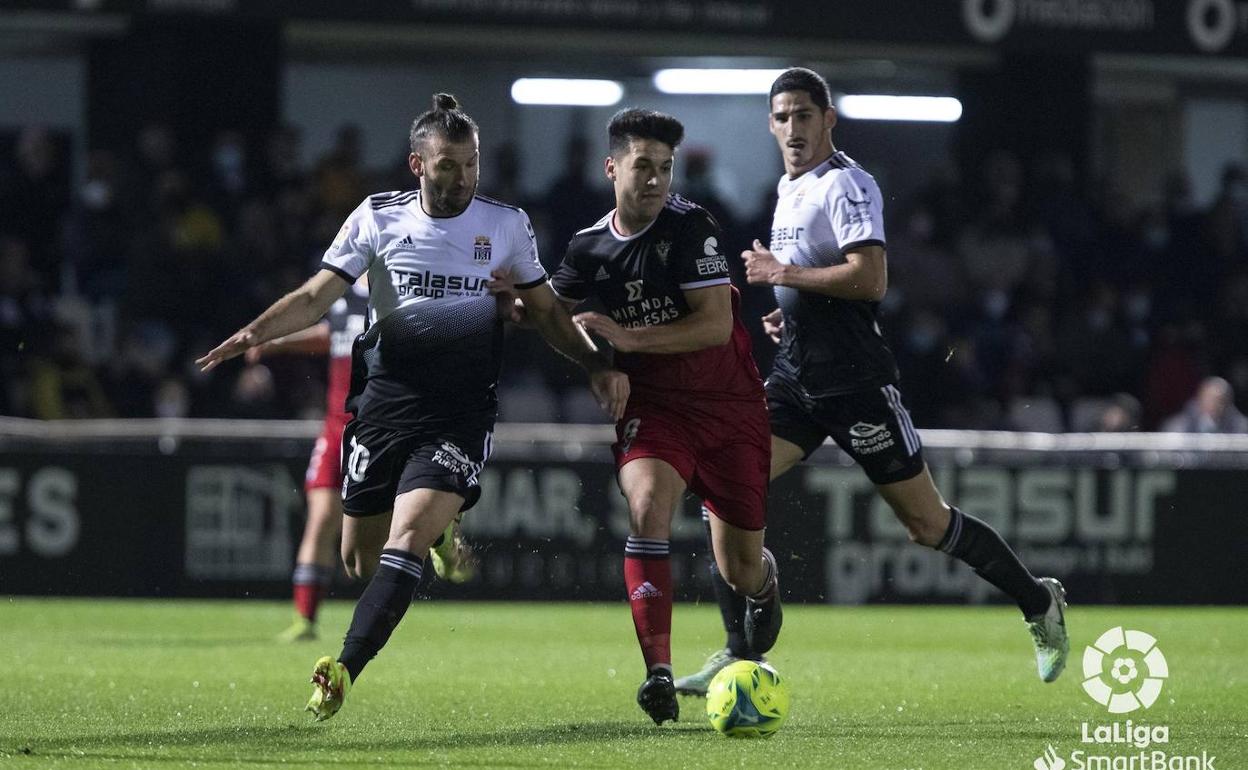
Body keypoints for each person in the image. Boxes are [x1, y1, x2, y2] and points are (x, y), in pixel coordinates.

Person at [197, 93, 629, 722]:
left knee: (407, 537)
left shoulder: (506, 225)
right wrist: (254, 332)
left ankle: (343, 667)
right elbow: (317, 294)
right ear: (417, 165)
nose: (463, 177)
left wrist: (595, 362)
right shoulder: (376, 217)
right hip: (381, 406)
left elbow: (546, 314)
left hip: (459, 413)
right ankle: (442, 533)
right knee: (358, 562)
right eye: (449, 165)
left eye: (471, 164)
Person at [674, 68, 1070, 696]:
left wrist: (783, 273)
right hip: (797, 379)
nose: (793, 128)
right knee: (719, 480)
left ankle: (1038, 603)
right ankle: (738, 646)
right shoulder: (789, 185)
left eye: (805, 115)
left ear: (828, 119)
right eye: (782, 117)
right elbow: (818, 275)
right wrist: (788, 306)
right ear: (770, 124)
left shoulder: (848, 184)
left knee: (927, 524)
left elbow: (871, 279)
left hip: (857, 384)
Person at [509, 108, 781, 725]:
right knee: (646, 506)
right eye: (643, 166)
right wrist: (536, 319)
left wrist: (624, 343)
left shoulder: (692, 228)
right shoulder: (588, 246)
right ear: (612, 168)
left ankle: (764, 582)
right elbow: (556, 317)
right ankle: (657, 670)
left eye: (665, 168)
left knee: (738, 569)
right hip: (657, 409)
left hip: (731, 407)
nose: (657, 180)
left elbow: (714, 327)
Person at [1162, 376, 1248, 433]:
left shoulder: (1240, 427)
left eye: (1221, 400)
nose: (1216, 404)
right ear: (1200, 399)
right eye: (1210, 399)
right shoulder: (1178, 426)